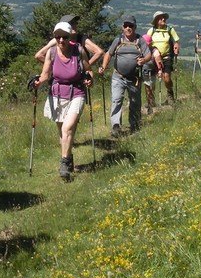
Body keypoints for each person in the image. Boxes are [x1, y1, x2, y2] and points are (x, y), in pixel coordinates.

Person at [33, 21, 94, 181]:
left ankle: (64, 163)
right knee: (62, 132)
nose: (61, 40)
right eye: (58, 37)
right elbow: (45, 74)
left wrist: (89, 80)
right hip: (57, 94)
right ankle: (69, 156)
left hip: (77, 93)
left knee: (67, 128)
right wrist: (38, 82)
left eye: (64, 37)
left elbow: (88, 70)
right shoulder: (51, 52)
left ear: (69, 37)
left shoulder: (79, 51)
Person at [98, 16, 152, 135]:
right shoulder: (118, 40)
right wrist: (103, 66)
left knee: (135, 102)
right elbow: (108, 54)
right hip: (118, 76)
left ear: (135, 27)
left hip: (134, 78)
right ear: (122, 27)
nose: (128, 28)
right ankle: (116, 126)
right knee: (116, 100)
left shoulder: (140, 40)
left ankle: (135, 125)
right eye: (126, 26)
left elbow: (148, 55)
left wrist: (143, 60)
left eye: (130, 26)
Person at [34, 14, 104, 68]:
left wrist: (83, 68)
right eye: (71, 23)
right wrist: (57, 67)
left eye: (75, 23)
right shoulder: (57, 40)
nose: (74, 25)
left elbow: (99, 52)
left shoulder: (81, 38)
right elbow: (39, 55)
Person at [147, 11, 181, 102]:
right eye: (161, 18)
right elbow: (146, 42)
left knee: (166, 78)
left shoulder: (170, 29)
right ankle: (151, 100)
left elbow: (176, 40)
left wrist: (176, 46)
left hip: (167, 56)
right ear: (156, 20)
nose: (163, 19)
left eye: (164, 18)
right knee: (152, 79)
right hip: (154, 57)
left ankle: (170, 94)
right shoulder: (151, 31)